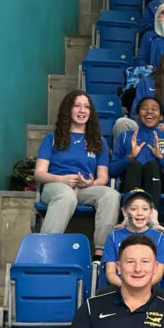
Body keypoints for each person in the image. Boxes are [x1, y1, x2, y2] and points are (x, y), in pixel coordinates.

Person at [34, 90, 120, 258]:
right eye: (77, 106)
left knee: (111, 195)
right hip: (56, 186)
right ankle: (45, 251)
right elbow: (39, 173)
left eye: (86, 107)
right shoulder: (52, 137)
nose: (82, 110)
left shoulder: (99, 141)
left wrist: (91, 183)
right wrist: (61, 179)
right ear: (68, 110)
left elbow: (103, 177)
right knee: (67, 196)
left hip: (84, 188)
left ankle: (101, 253)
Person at [114, 46, 164, 158]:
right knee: (121, 122)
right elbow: (135, 110)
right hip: (142, 125)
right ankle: (128, 160)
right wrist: (145, 124)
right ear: (162, 60)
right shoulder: (146, 82)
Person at [110, 96, 164, 213]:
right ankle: (130, 214)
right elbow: (112, 171)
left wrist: (161, 158)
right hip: (131, 182)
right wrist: (129, 158)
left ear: (161, 116)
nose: (149, 111)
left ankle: (152, 215)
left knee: (152, 165)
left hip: (161, 187)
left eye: (154, 109)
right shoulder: (125, 136)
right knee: (135, 165)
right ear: (137, 115)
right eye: (144, 108)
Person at [101, 189, 164, 290]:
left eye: (145, 209)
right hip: (121, 287)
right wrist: (126, 287)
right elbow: (110, 272)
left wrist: (141, 288)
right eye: (134, 209)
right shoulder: (113, 237)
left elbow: (158, 273)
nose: (140, 213)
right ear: (125, 211)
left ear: (151, 212)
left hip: (149, 289)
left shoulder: (160, 238)